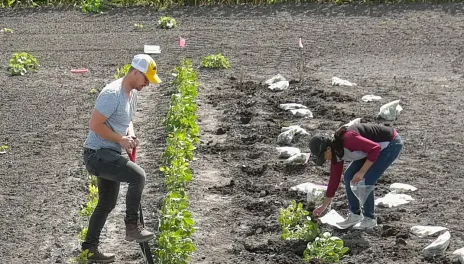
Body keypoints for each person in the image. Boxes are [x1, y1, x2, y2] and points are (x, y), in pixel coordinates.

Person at [80, 54, 161, 262]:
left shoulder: (132, 94)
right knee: (138, 177)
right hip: (96, 154)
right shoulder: (112, 93)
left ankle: (89, 249)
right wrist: (120, 139)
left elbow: (127, 121)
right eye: (146, 80)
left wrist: (130, 135)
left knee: (107, 203)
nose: (147, 84)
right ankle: (132, 226)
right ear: (136, 72)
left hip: (109, 154)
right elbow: (95, 125)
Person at [309, 122, 403, 230]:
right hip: (370, 149)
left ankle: (369, 219)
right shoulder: (336, 152)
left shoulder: (349, 140)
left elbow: (375, 148)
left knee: (365, 179)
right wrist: (323, 206)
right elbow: (334, 180)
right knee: (349, 176)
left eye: (323, 156)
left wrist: (362, 171)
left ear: (328, 149)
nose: (325, 159)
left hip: (390, 144)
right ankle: (355, 215)